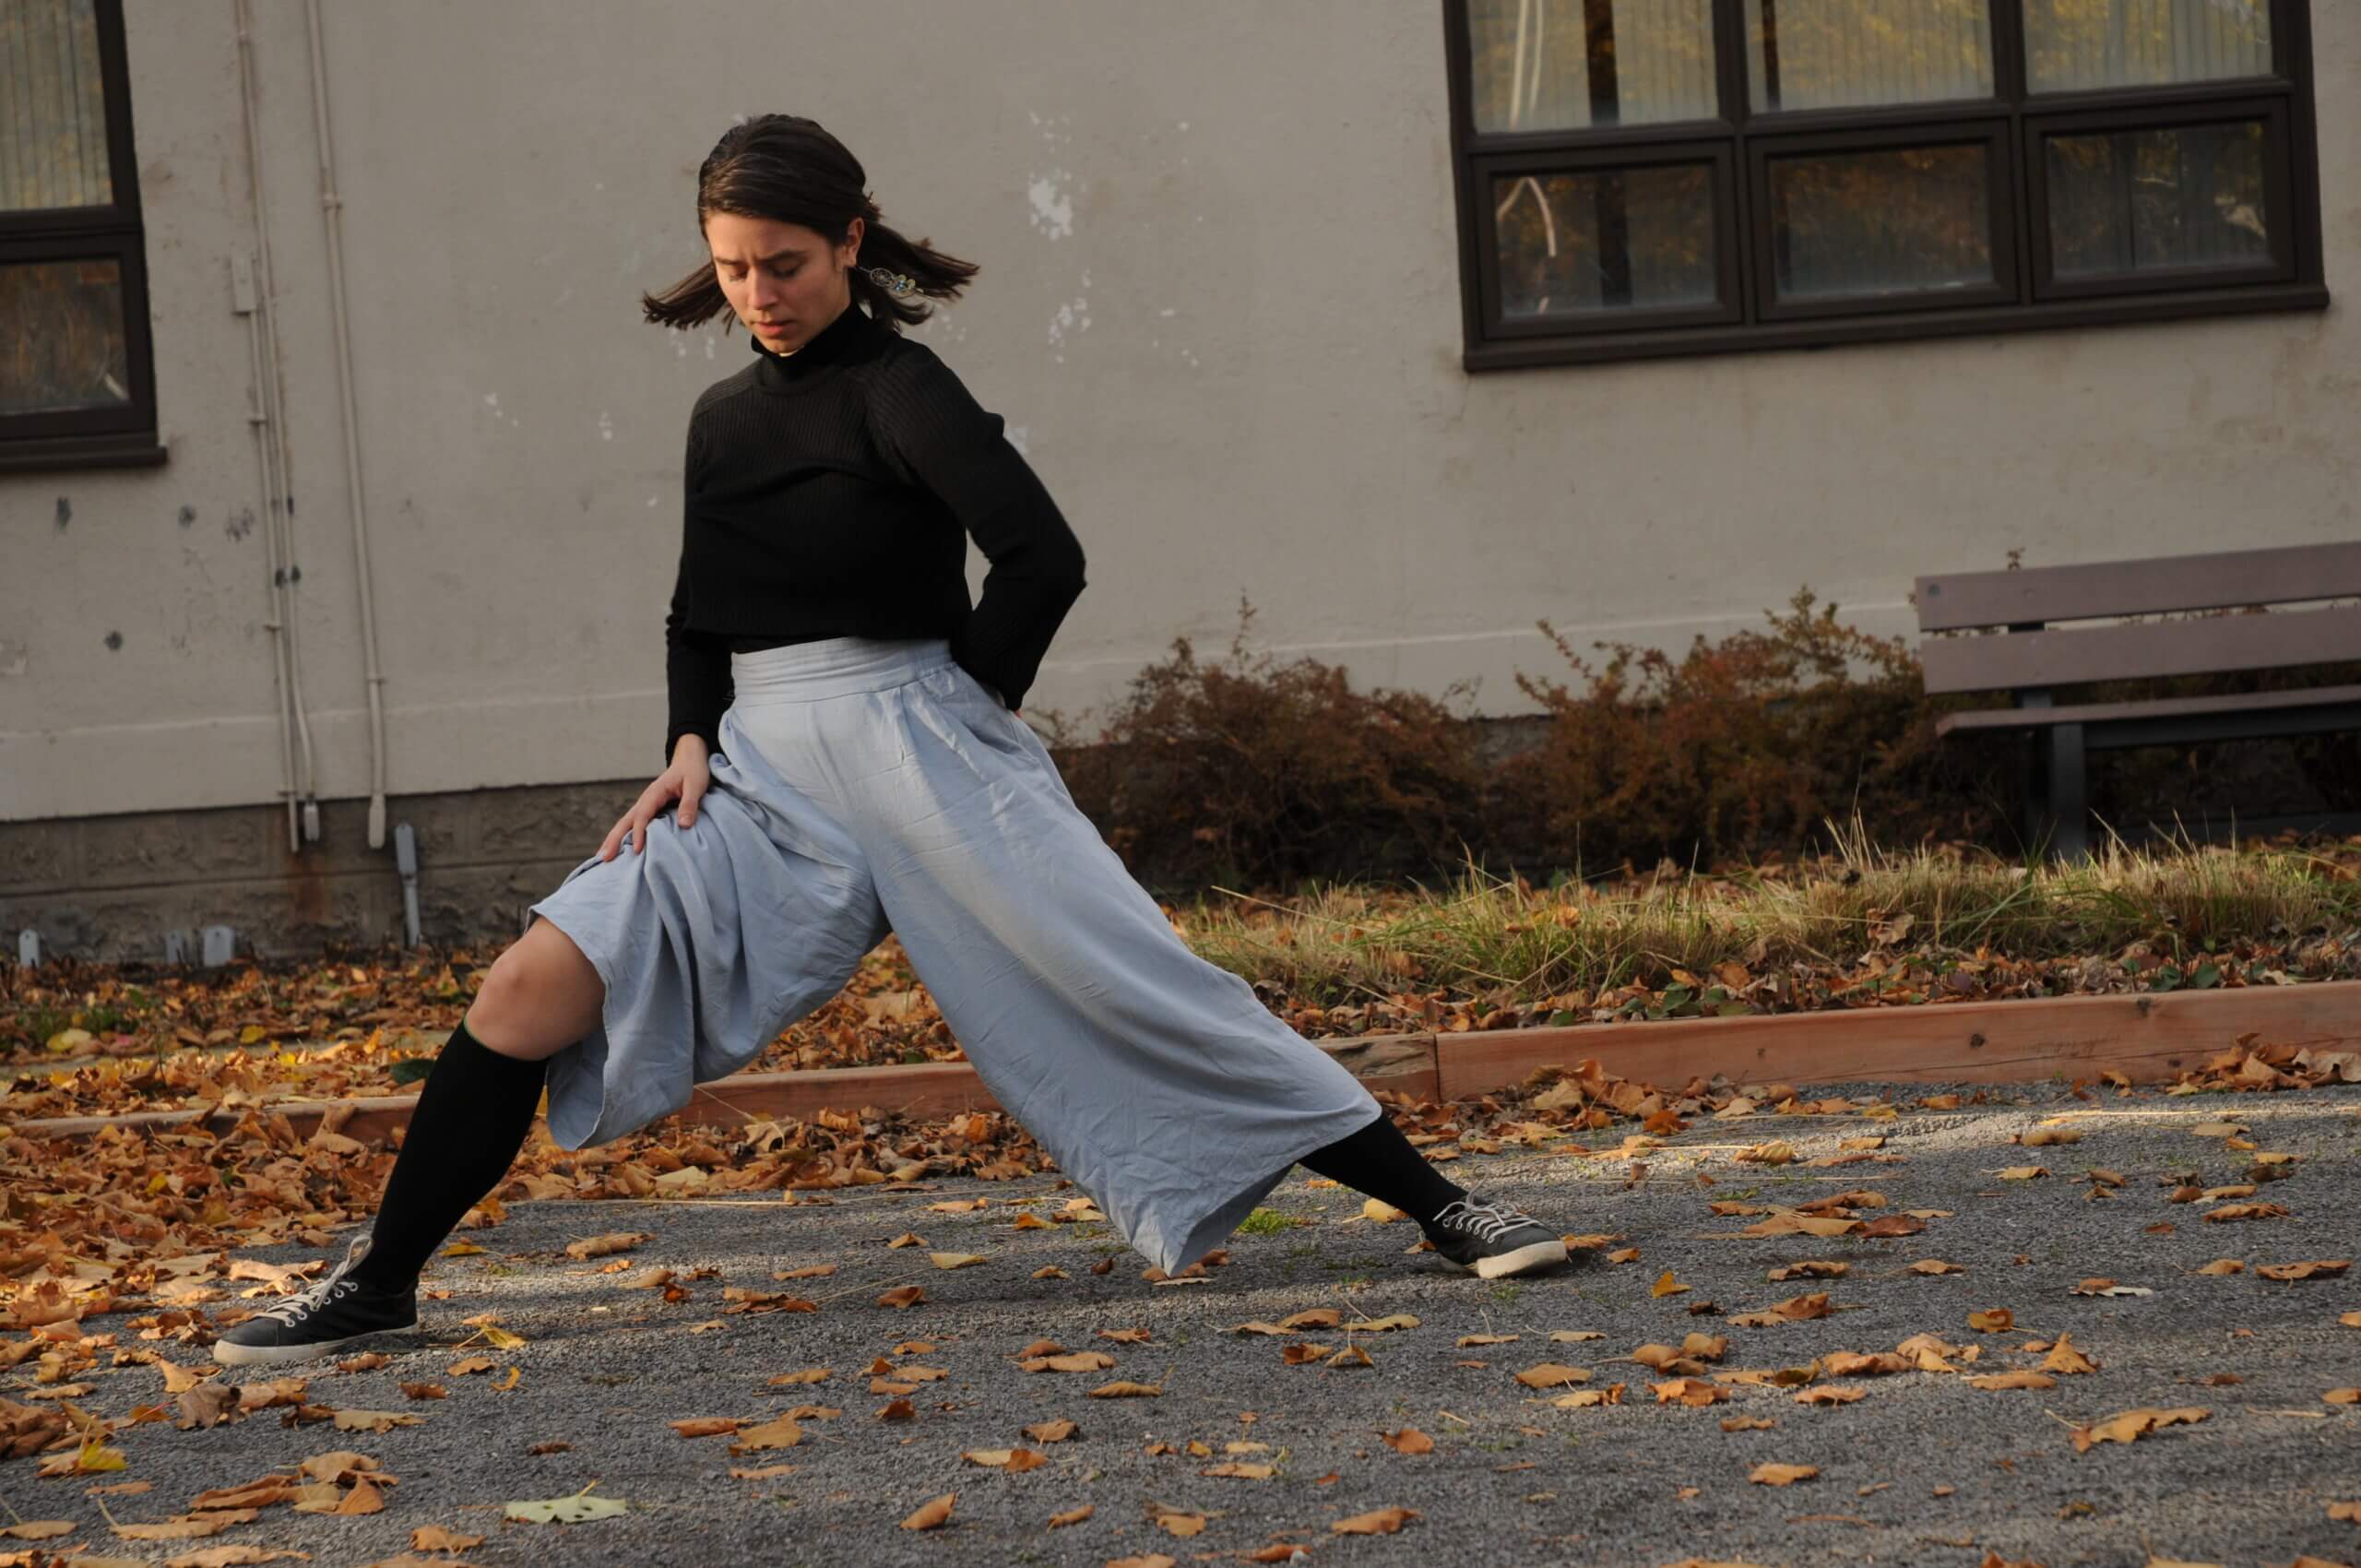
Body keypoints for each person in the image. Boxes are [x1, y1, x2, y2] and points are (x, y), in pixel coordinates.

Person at [215, 114, 1568, 1368]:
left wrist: (967, 706)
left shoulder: (903, 389)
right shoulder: (722, 421)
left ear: (853, 242)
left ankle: (1448, 1209)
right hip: (762, 771)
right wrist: (689, 738)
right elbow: (699, 610)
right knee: (527, 987)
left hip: (929, 739)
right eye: (734, 268)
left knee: (1130, 979)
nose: (760, 293)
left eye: (786, 264)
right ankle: (381, 1283)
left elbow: (1044, 556)